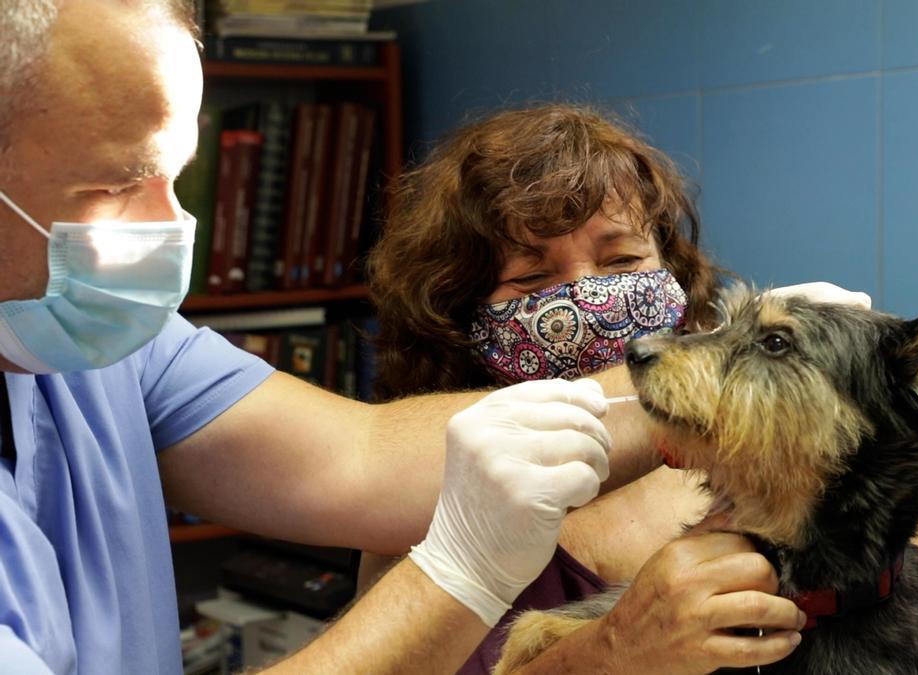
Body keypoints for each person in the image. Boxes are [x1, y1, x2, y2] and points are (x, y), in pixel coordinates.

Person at [0, 3, 661, 673]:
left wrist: (710, 375)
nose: (170, 227)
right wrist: (461, 570)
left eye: (172, 174)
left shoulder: (107, 348)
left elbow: (362, 459)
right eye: (113, 186)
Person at [359, 103, 918, 674]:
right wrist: (601, 656)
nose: (589, 298)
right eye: (532, 277)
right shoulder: (433, 502)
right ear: (458, 314)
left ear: (671, 274)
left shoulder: (786, 471)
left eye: (622, 258)